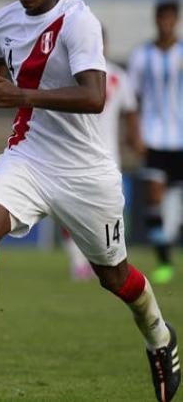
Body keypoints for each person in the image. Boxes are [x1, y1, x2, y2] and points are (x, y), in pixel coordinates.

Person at [0, 0, 179, 400]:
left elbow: (94, 95)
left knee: (115, 276)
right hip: (30, 155)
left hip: (86, 172)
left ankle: (160, 337)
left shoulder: (78, 22)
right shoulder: (5, 20)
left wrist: (22, 94)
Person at [63, 27, 141, 281]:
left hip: (107, 158)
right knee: (66, 208)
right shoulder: (72, 74)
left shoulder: (119, 76)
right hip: (74, 154)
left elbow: (130, 112)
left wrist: (135, 140)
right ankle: (77, 262)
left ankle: (109, 262)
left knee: (108, 214)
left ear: (105, 44)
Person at [128, 0, 183, 285]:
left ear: (176, 20)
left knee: (172, 205)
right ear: (156, 20)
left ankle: (170, 237)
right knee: (153, 197)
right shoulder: (141, 56)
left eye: (170, 18)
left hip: (181, 139)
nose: (166, 23)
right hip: (153, 138)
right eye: (162, 18)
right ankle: (164, 260)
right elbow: (132, 100)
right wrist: (135, 134)